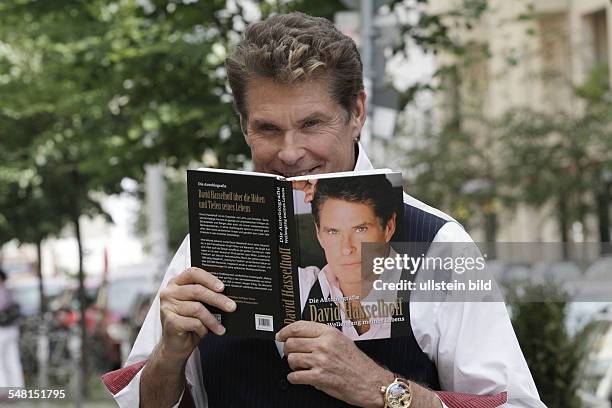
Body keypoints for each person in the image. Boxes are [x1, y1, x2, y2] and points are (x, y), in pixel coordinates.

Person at [102, 12, 545, 408]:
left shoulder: (436, 243)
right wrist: (168, 358)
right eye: (268, 129)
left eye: (312, 124)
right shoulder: (204, 245)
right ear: (244, 126)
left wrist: (381, 389)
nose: (291, 152)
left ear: (357, 112)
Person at [297, 175, 403, 340]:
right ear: (319, 234)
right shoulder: (300, 288)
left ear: (388, 228)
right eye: (333, 232)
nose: (347, 249)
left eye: (360, 229)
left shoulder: (428, 293)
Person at [0, 268, 25, 391]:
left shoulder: (3, 293)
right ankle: (17, 388)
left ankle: (3, 390)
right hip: (12, 329)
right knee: (12, 359)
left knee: (3, 361)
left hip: (3, 330)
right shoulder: (10, 292)